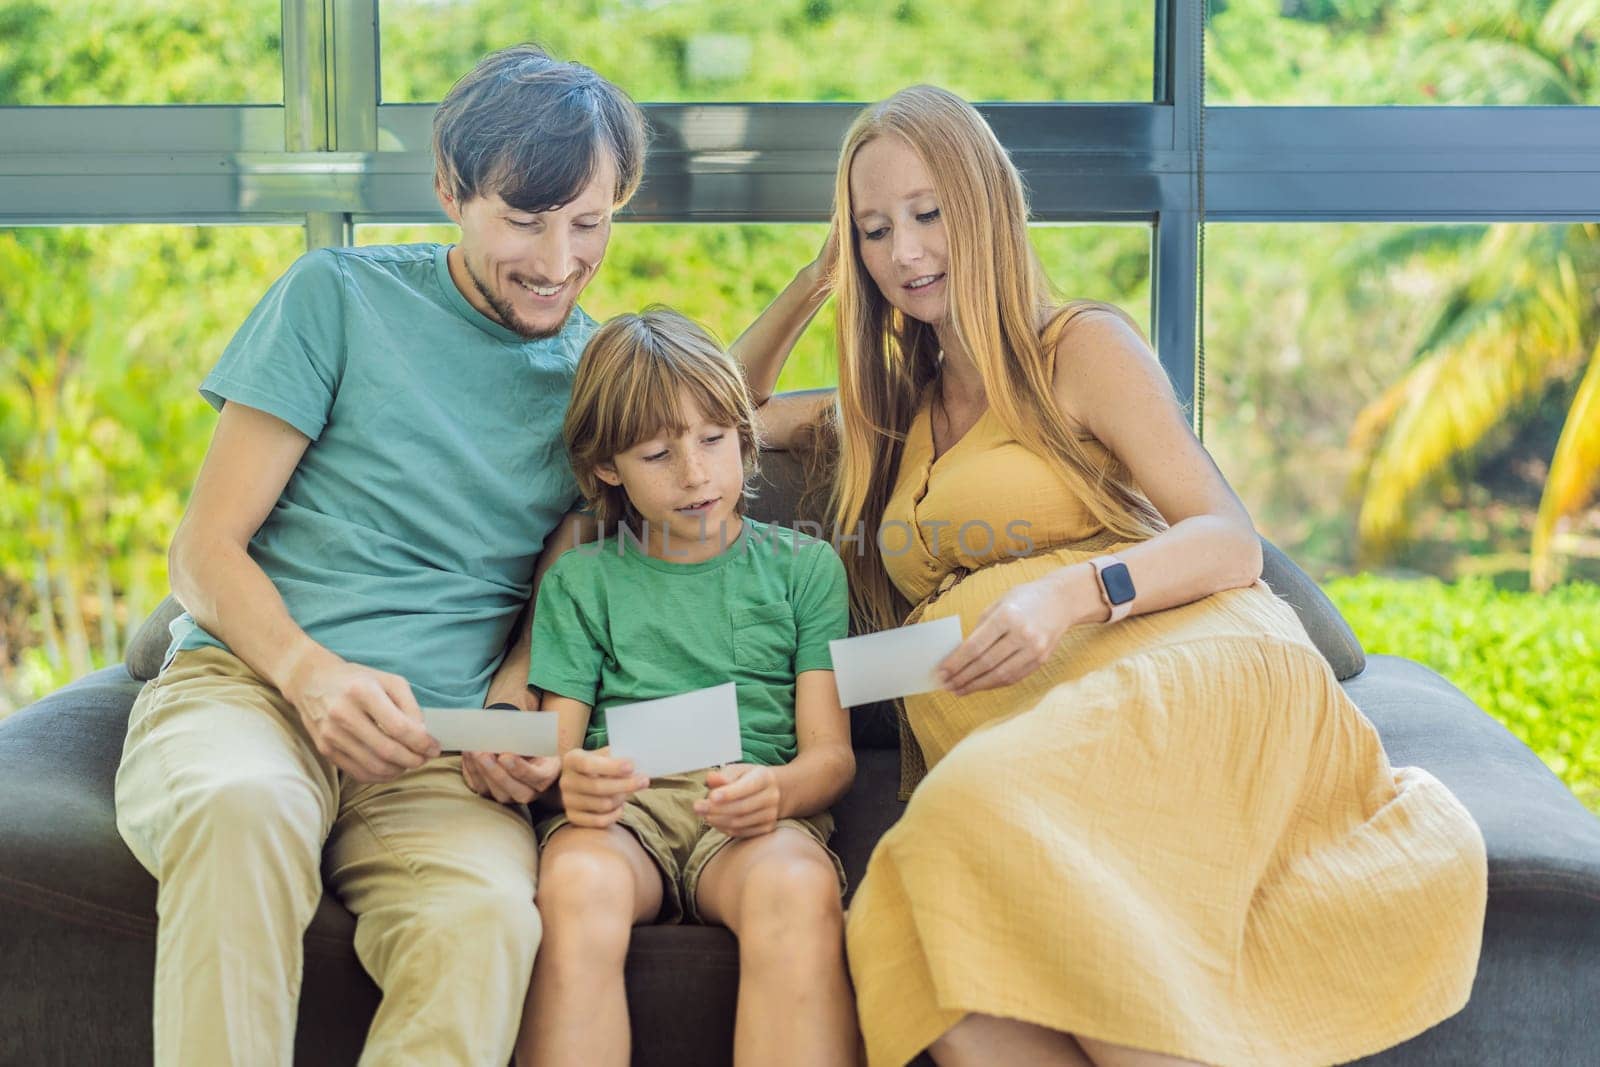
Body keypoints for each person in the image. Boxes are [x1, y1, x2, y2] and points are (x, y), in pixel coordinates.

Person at [743, 85, 1487, 1067]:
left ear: (984, 206)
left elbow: (1228, 536)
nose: (907, 251)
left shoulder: (1079, 347)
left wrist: (1073, 591)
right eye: (877, 229)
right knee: (933, 961)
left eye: (928, 213)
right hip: (1024, 725)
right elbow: (719, 412)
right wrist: (814, 278)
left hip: (1179, 668)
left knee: (951, 835)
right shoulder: (881, 413)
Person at [111, 44, 646, 1065]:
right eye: (523, 220)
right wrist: (311, 674)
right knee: (244, 805)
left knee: (487, 917)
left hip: (436, 752)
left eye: (590, 222)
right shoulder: (335, 298)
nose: (558, 259)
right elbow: (203, 548)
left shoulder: (596, 377)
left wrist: (513, 689)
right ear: (451, 191)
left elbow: (569, 565)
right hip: (251, 691)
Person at [516, 308, 859, 1067]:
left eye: (714, 440)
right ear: (608, 467)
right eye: (657, 453)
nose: (696, 473)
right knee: (573, 883)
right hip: (623, 820)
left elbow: (831, 757)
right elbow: (559, 757)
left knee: (798, 888)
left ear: (744, 436)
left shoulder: (806, 569)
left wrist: (779, 790)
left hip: (752, 817)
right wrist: (571, 783)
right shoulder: (582, 579)